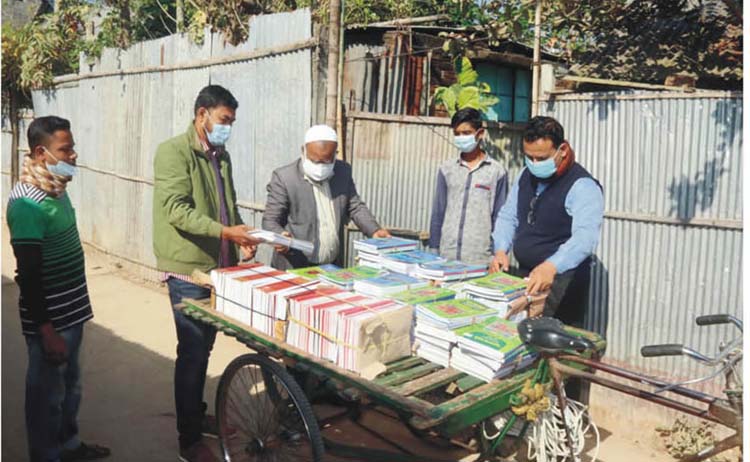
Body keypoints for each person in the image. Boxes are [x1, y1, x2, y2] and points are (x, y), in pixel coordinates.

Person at [152, 85, 260, 462]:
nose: (228, 127)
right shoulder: (173, 152)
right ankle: (189, 440)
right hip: (188, 270)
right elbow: (176, 210)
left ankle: (196, 416)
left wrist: (244, 233)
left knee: (205, 347)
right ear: (202, 115)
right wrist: (225, 232)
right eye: (223, 120)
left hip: (219, 267)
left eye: (231, 122)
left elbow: (227, 204)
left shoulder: (220, 155)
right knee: (193, 353)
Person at [7, 116, 111, 462]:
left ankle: (69, 445)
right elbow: (30, 276)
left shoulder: (56, 187)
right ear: (41, 153)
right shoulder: (26, 203)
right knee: (45, 396)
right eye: (65, 149)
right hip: (51, 320)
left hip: (73, 311)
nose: (74, 155)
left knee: (70, 386)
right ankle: (46, 454)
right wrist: (46, 330)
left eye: (73, 147)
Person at [490, 116, 604, 329]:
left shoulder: (583, 186)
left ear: (562, 150)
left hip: (562, 284)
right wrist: (501, 250)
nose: (534, 164)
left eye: (541, 158)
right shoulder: (526, 175)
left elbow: (585, 238)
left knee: (553, 347)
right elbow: (508, 215)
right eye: (529, 157)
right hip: (526, 278)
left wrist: (552, 266)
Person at [262, 124, 391, 269]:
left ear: (335, 154)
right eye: (315, 161)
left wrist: (374, 230)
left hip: (332, 267)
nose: (321, 166)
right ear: (303, 151)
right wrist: (280, 237)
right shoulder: (285, 178)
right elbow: (270, 220)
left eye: (326, 161)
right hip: (294, 266)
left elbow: (355, 206)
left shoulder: (343, 172)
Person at [428, 107, 508, 266]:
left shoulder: (496, 172)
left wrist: (496, 253)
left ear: (480, 134)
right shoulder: (447, 169)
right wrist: (434, 249)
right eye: (457, 134)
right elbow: (438, 212)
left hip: (480, 259)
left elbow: (500, 217)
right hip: (447, 256)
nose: (461, 138)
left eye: (466, 133)